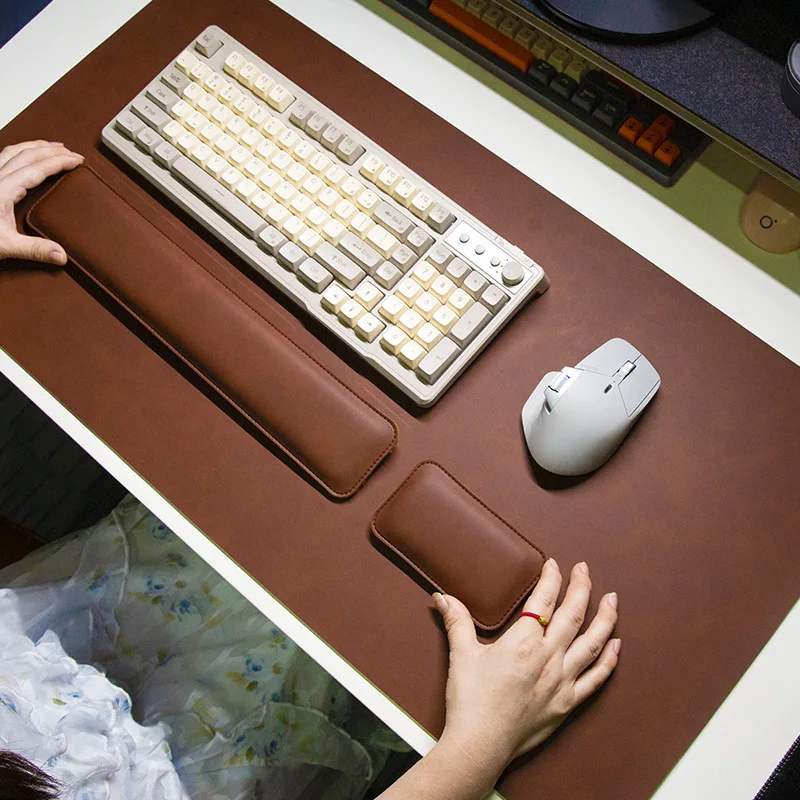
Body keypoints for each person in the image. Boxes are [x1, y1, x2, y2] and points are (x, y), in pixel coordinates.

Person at [0, 141, 620, 799]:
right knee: (361, 625)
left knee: (276, 486)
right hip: (210, 758)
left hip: (75, 624)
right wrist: (479, 746)